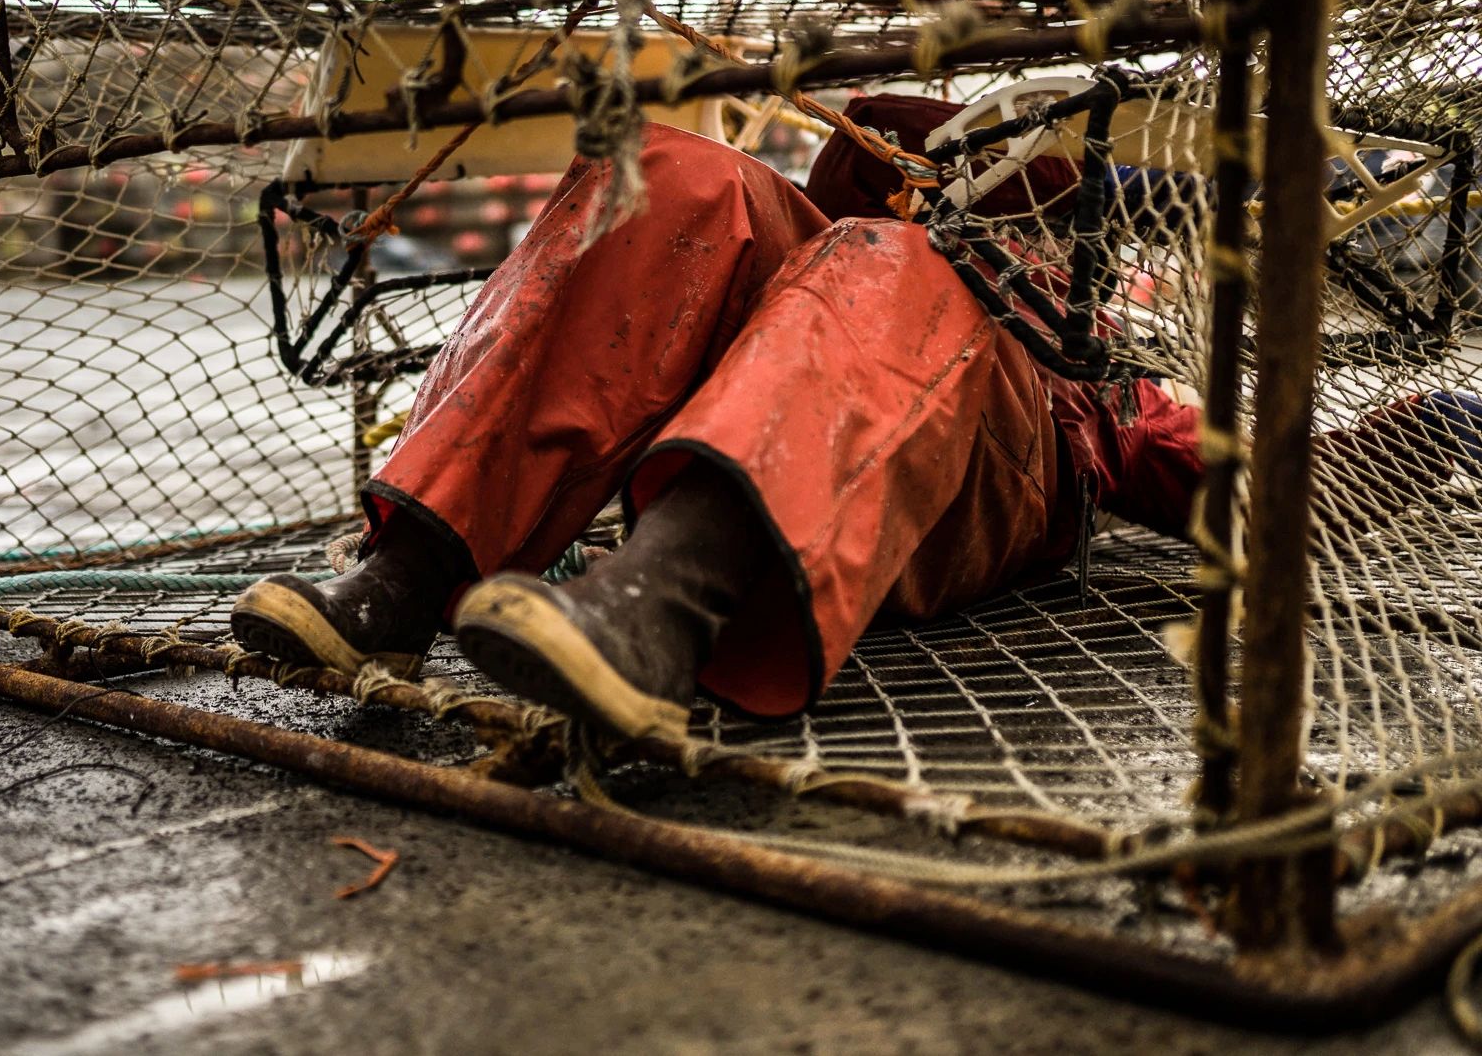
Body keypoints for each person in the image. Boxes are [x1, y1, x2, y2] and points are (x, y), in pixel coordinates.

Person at [228, 95, 1477, 742]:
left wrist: (1440, 429)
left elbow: (1245, 490)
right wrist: (904, 174)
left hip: (982, 468)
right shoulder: (868, 226)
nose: (1005, 216)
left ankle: (657, 605)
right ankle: (406, 575)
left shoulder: (1114, 378)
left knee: (893, 263)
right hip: (838, 299)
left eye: (1026, 209)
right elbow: (801, 222)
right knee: (673, 172)